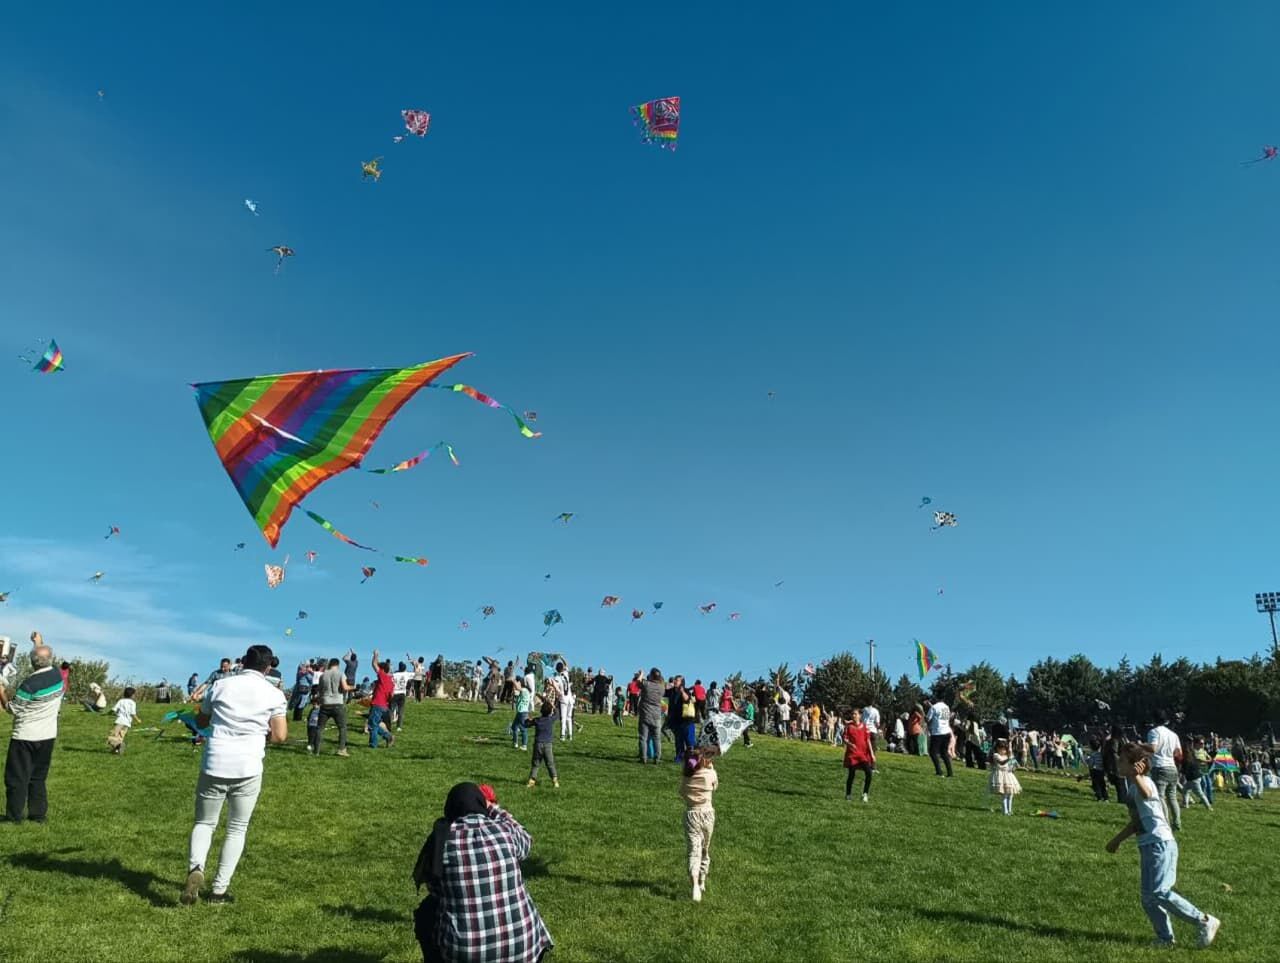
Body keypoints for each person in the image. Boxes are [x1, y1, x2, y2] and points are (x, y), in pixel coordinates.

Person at [181, 644, 287, 905]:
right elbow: (280, 736)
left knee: (205, 823)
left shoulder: (221, 685)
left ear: (243, 662)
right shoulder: (274, 694)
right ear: (268, 666)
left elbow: (202, 720)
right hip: (248, 766)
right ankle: (219, 890)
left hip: (215, 761)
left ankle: (196, 868)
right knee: (237, 828)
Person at [411, 782, 553, 962]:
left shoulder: (441, 840)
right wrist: (493, 808)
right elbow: (526, 840)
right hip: (525, 948)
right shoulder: (504, 830)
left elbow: (436, 889)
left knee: (427, 911)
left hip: (467, 954)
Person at [1106, 743, 1220, 949]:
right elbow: (1137, 822)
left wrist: (1138, 776)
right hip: (1148, 845)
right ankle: (1165, 939)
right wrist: (1117, 840)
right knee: (1148, 899)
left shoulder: (1144, 782)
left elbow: (1148, 794)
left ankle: (1204, 920)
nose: (1117, 763)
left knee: (1159, 892)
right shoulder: (1132, 789)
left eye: (1122, 760)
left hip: (1160, 844)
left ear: (1136, 765)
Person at [2, 634, 63, 823]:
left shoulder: (28, 685)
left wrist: (2, 692)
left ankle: (14, 816)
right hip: (47, 736)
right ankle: (38, 815)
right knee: (38, 777)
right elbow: (43, 658)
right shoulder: (56, 675)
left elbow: (13, 709)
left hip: (25, 737)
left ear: (32, 662)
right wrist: (38, 642)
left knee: (17, 778)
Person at [681, 748, 718, 902]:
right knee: (705, 849)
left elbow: (682, 792)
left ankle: (695, 884)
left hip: (691, 814)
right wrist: (711, 769)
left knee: (693, 850)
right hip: (708, 814)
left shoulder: (687, 776)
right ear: (703, 760)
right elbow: (715, 786)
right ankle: (702, 880)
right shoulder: (710, 773)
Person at [1144, 715, 1183, 832]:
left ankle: (1165, 823)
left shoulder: (1154, 732)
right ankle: (1177, 822)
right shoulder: (1173, 734)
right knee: (1172, 796)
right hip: (1172, 767)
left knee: (1160, 796)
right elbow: (1178, 753)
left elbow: (1153, 749)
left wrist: (1140, 745)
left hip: (1159, 766)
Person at [313, 657, 352, 757]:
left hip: (325, 703)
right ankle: (341, 749)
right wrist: (354, 687)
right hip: (337, 703)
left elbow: (320, 691)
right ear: (338, 665)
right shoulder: (340, 673)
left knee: (320, 728)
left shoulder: (323, 675)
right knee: (342, 727)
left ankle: (316, 750)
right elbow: (345, 687)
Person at [843, 708, 875, 803]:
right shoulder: (849, 727)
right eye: (852, 714)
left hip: (863, 755)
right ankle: (848, 795)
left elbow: (868, 740)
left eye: (855, 714)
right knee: (851, 774)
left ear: (860, 715)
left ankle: (865, 794)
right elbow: (845, 739)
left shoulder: (864, 727)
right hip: (852, 754)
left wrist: (872, 754)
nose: (853, 716)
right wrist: (850, 744)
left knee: (868, 772)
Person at [525, 701, 559, 788]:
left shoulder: (537, 720)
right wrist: (554, 706)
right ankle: (555, 781)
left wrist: (528, 719)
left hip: (538, 745)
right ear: (550, 711)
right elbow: (557, 714)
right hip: (548, 745)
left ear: (541, 711)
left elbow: (526, 725)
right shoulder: (551, 720)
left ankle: (532, 781)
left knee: (536, 764)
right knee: (550, 764)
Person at [368, 650, 396, 749]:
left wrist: (375, 655)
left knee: (372, 725)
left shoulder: (383, 676)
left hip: (377, 704)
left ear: (383, 669)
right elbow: (391, 695)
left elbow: (374, 664)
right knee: (373, 724)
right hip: (384, 706)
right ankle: (388, 736)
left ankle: (374, 744)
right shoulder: (391, 682)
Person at [989, 738, 1021, 815]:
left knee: (1010, 794)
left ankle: (1010, 810)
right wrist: (1009, 759)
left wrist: (1014, 765)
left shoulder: (1007, 756)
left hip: (1009, 775)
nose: (1003, 751)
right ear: (997, 749)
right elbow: (1001, 763)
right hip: (1001, 776)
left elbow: (1014, 766)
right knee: (1005, 794)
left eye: (1004, 749)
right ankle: (1005, 811)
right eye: (1001, 749)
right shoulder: (996, 755)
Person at [638, 668, 664, 763]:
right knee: (657, 738)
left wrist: (641, 674)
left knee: (643, 738)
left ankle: (643, 758)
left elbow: (638, 682)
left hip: (645, 714)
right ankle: (657, 758)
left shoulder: (647, 684)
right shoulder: (662, 688)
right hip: (657, 716)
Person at [108, 686, 141, 754]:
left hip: (120, 721)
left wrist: (108, 713)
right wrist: (138, 720)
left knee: (112, 736)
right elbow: (133, 713)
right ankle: (117, 751)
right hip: (127, 723)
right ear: (132, 695)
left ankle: (119, 745)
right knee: (120, 736)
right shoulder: (133, 703)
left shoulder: (121, 701)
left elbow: (114, 709)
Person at [926, 698, 953, 777]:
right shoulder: (946, 707)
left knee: (933, 752)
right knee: (944, 753)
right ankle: (950, 772)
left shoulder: (934, 707)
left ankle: (939, 771)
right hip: (946, 731)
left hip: (938, 732)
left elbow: (928, 718)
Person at [551, 662, 573, 741]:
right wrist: (562, 657)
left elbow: (556, 687)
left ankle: (563, 735)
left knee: (563, 718)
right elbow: (567, 665)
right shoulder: (566, 674)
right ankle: (570, 735)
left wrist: (552, 682)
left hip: (563, 698)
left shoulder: (557, 677)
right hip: (570, 699)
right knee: (569, 717)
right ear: (562, 668)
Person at [391, 662, 413, 731]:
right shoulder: (406, 674)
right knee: (401, 710)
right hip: (402, 693)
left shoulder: (394, 675)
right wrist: (414, 664)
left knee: (391, 710)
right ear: (405, 668)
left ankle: (388, 723)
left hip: (394, 693)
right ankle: (399, 726)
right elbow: (416, 673)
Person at [511, 679, 531, 750]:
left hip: (523, 713)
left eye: (519, 683)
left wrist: (513, 680)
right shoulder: (522, 691)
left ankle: (524, 745)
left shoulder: (525, 690)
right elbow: (515, 692)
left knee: (523, 729)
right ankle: (515, 743)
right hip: (520, 712)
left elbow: (518, 688)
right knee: (514, 727)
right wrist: (514, 685)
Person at [1087, 738, 1109, 802]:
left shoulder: (1092, 755)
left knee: (1096, 785)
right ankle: (1106, 798)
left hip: (1095, 771)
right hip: (1101, 771)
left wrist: (1087, 760)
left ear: (1091, 746)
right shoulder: (1101, 754)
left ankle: (1099, 797)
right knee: (1103, 785)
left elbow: (1091, 764)